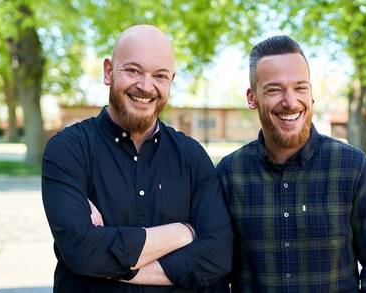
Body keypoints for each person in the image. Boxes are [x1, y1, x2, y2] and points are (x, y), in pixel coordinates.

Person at [42, 25, 233, 292]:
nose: (146, 86)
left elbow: (219, 254)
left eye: (160, 75)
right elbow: (80, 250)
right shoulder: (68, 149)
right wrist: (184, 232)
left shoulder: (192, 156)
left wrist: (115, 265)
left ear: (171, 81)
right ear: (109, 71)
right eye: (132, 70)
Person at [216, 35, 366, 292]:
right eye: (274, 89)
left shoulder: (354, 169)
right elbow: (217, 274)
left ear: (311, 94)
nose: (290, 102)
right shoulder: (228, 175)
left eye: (300, 87)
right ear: (252, 97)